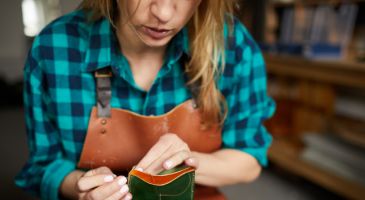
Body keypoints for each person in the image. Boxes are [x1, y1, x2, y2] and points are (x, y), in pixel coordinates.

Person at [15, 0, 276, 199]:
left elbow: (248, 160)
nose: (163, 13)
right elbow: (43, 167)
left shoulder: (232, 45)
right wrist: (80, 187)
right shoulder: (56, 47)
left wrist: (184, 163)